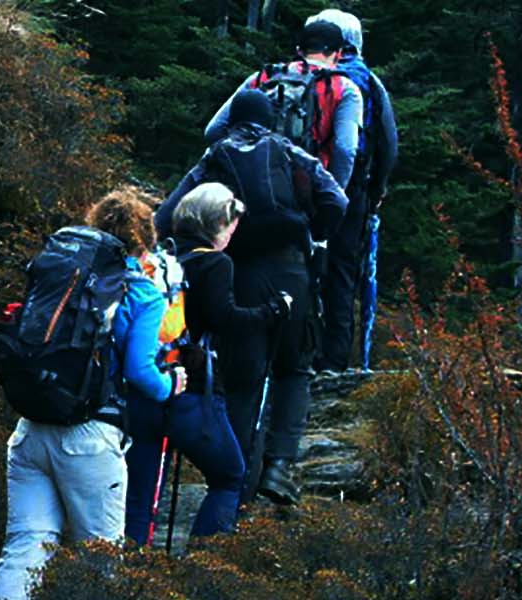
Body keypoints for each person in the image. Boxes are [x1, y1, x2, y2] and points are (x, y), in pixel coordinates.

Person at [0, 188, 177, 599]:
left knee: (26, 548)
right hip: (89, 439)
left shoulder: (64, 274)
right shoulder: (142, 293)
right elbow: (141, 372)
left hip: (32, 430)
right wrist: (172, 386)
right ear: (144, 239)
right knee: (101, 561)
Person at [160, 90, 345, 509]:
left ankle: (234, 487)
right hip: (292, 272)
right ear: (270, 119)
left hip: (238, 273)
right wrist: (313, 235)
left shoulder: (215, 157)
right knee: (294, 369)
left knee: (243, 381)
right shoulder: (288, 151)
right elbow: (337, 198)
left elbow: (170, 213)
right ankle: (279, 467)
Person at [126, 183, 291, 542]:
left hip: (147, 386)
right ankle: (202, 569)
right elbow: (224, 319)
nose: (233, 231)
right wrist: (272, 312)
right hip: (192, 392)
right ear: (217, 221)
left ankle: (123, 574)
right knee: (230, 474)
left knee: (140, 496)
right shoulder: (215, 263)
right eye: (231, 223)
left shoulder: (161, 259)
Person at [305, 8, 401, 374]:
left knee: (297, 267)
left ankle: (292, 354)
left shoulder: (292, 76)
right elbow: (387, 145)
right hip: (348, 191)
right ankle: (334, 361)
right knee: (342, 274)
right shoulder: (367, 82)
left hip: (295, 188)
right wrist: (376, 191)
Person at [203, 20, 364, 189]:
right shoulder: (344, 89)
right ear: (338, 54)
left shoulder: (262, 77)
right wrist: (333, 195)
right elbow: (345, 149)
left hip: (248, 184)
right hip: (303, 189)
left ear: (299, 50)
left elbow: (214, 130)